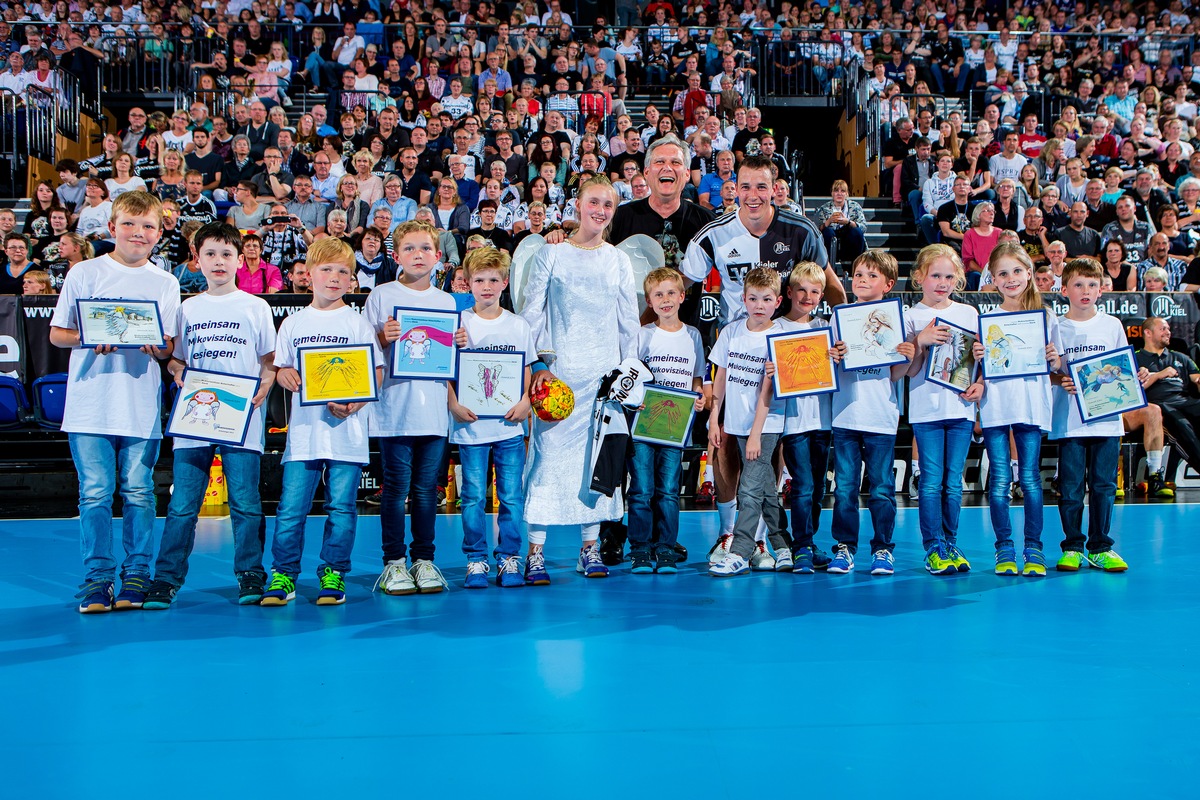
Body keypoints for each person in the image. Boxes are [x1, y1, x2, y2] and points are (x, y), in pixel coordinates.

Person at [49, 192, 181, 613]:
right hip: (90, 403)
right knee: (94, 494)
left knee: (140, 493)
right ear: (112, 228)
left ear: (159, 234)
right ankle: (97, 579)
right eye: (130, 224)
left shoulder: (166, 282)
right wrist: (92, 337)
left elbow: (168, 347)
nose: (138, 233)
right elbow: (58, 334)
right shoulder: (84, 273)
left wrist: (158, 348)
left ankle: (138, 574)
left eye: (147, 227)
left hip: (139, 404)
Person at [142, 223, 276, 609]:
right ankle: (166, 578)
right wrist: (177, 372)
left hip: (242, 419)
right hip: (194, 421)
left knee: (246, 504)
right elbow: (177, 361)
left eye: (226, 254)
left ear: (240, 260)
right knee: (183, 504)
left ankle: (250, 573)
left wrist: (265, 386)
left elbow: (269, 362)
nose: (219, 261)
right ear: (196, 260)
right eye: (211, 254)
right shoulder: (187, 308)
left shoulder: (256, 307)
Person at [520, 176, 640, 581]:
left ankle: (589, 549)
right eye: (594, 202)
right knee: (547, 459)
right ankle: (534, 552)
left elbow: (628, 322)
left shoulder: (619, 260)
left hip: (605, 381)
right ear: (577, 204)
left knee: (599, 463)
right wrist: (538, 365)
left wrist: (630, 373)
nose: (601, 210)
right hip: (559, 379)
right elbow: (531, 313)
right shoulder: (551, 254)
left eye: (608, 204)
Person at [261, 237, 384, 606]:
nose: (334, 277)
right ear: (308, 275)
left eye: (343, 271)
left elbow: (374, 372)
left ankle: (334, 571)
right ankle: (283, 573)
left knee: (342, 508)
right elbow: (281, 368)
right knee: (290, 509)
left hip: (346, 433)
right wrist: (284, 376)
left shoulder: (358, 323)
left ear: (352, 280)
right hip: (303, 434)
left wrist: (355, 404)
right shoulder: (293, 324)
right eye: (326, 269)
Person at [367, 221, 459, 595]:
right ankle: (393, 564)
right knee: (395, 489)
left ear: (438, 257)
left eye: (425, 248)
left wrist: (460, 342)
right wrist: (379, 336)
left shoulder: (446, 301)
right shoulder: (382, 295)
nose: (418, 255)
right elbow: (363, 350)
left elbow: (451, 359)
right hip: (394, 409)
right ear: (396, 256)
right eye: (409, 249)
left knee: (425, 490)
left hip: (434, 411)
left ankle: (424, 560)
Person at [447, 247, 534, 588]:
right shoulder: (459, 324)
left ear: (505, 282)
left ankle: (510, 558)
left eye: (493, 279)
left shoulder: (518, 325)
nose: (486, 286)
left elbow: (526, 369)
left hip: (509, 425)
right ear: (467, 283)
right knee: (472, 497)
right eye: (479, 279)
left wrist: (527, 402)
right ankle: (476, 560)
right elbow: (447, 370)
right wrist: (453, 404)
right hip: (470, 427)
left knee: (511, 496)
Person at [826, 249, 917, 576]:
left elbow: (894, 375)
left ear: (888, 284)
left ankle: (882, 549)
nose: (862, 280)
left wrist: (907, 356)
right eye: (859, 274)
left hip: (881, 416)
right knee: (845, 488)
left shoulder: (898, 319)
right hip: (845, 416)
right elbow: (829, 371)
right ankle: (845, 547)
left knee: (881, 488)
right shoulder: (840, 315)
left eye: (872, 276)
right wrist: (833, 356)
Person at [978, 243, 1061, 575]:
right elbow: (978, 372)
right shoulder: (988, 320)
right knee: (1000, 480)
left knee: (1029, 479)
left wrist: (1056, 360)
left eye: (1016, 271)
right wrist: (980, 360)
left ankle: (1034, 549)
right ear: (993, 280)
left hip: (1030, 405)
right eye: (1002, 274)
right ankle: (1004, 549)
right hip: (997, 406)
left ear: (1029, 273)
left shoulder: (1046, 316)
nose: (1010, 279)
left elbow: (1058, 367)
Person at [902, 245, 983, 575]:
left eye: (949, 276)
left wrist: (981, 373)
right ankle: (933, 545)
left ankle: (950, 541)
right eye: (935, 275)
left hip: (961, 408)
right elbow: (907, 370)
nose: (942, 282)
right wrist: (920, 340)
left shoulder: (969, 314)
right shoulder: (910, 315)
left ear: (959, 279)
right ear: (920, 276)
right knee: (931, 481)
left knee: (953, 481)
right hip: (926, 409)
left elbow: (982, 362)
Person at [1051, 258, 1136, 574]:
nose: (1085, 291)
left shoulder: (1112, 325)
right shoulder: (1057, 328)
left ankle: (1101, 546)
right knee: (1071, 488)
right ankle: (1072, 546)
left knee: (1104, 485)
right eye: (1077, 284)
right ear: (1064, 290)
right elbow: (1049, 373)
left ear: (1101, 289)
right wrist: (1061, 379)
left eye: (1091, 284)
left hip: (1107, 419)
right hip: (1070, 421)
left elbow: (1122, 371)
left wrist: (1131, 377)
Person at [706, 267, 790, 577]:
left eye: (766, 299)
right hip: (736, 423)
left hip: (765, 424)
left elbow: (768, 392)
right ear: (743, 299)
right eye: (752, 298)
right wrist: (715, 421)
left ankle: (740, 551)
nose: (758, 305)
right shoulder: (730, 332)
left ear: (777, 301)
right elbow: (721, 380)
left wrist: (756, 434)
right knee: (766, 488)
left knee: (750, 489)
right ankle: (783, 546)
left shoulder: (779, 336)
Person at [627, 267, 706, 574]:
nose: (665, 299)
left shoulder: (693, 335)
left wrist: (698, 396)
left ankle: (666, 547)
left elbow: (697, 378)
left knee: (669, 491)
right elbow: (630, 379)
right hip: (644, 423)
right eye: (658, 294)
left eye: (671, 292)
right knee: (642, 489)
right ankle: (641, 548)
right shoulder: (642, 335)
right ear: (649, 300)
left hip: (676, 425)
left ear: (682, 296)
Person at [776, 262, 835, 573]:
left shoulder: (825, 328)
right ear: (789, 292)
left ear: (822, 295)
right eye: (801, 290)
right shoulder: (776, 329)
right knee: (802, 485)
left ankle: (809, 542)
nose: (808, 296)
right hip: (794, 422)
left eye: (814, 291)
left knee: (819, 488)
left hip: (823, 420)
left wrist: (838, 356)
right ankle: (800, 545)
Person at [1137, 316, 1200, 479]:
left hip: (1185, 400)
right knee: (1183, 427)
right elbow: (1134, 390)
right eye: (1163, 329)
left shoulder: (1181, 358)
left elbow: (1196, 378)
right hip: (1159, 405)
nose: (1168, 332)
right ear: (1148, 333)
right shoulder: (1135, 358)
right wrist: (1158, 375)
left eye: (1169, 329)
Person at [817, 180, 867, 265]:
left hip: (848, 239)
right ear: (832, 193)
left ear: (847, 194)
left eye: (842, 191)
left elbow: (863, 227)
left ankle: (855, 266)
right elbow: (817, 230)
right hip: (831, 238)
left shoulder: (855, 206)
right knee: (827, 232)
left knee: (856, 232)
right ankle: (828, 266)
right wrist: (829, 221)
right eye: (836, 191)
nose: (839, 193)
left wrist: (848, 222)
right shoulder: (824, 208)